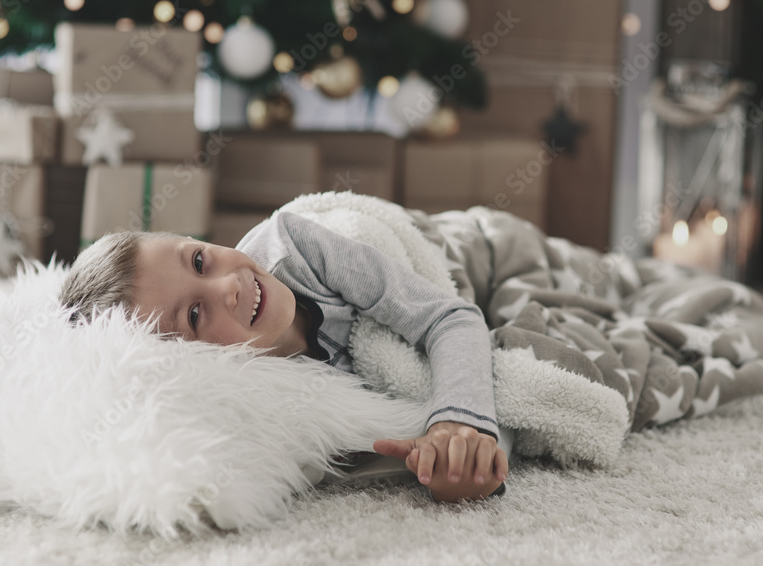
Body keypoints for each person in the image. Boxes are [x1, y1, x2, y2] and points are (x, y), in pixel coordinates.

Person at [59, 210, 509, 503]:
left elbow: (450, 316)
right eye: (195, 315)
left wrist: (459, 424)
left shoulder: (294, 248)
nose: (228, 286)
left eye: (199, 261)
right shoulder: (261, 403)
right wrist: (450, 466)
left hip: (458, 243)